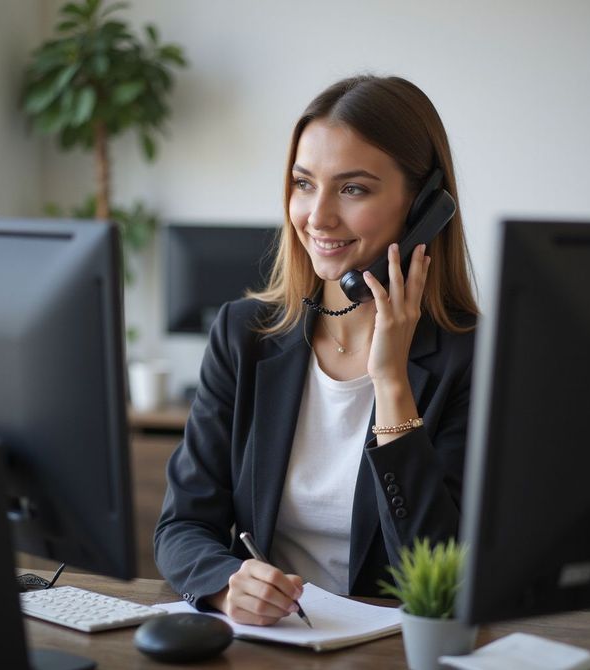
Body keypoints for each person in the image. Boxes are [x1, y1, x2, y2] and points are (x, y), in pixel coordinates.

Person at [154, 75, 478, 626]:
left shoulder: (468, 359)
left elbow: (441, 579)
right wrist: (226, 587)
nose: (318, 216)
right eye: (304, 184)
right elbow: (182, 525)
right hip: (269, 644)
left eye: (353, 189)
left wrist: (393, 383)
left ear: (425, 206)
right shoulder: (245, 335)